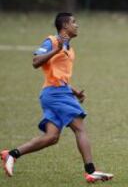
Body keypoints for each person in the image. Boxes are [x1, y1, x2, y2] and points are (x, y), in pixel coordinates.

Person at [1, 13, 113, 183]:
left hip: (58, 92)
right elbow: (35, 61)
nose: (77, 25)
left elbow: (59, 76)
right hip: (55, 94)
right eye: (74, 22)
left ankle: (12, 154)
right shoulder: (52, 41)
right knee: (80, 128)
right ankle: (90, 171)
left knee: (51, 137)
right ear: (65, 25)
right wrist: (56, 50)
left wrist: (75, 91)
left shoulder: (70, 49)